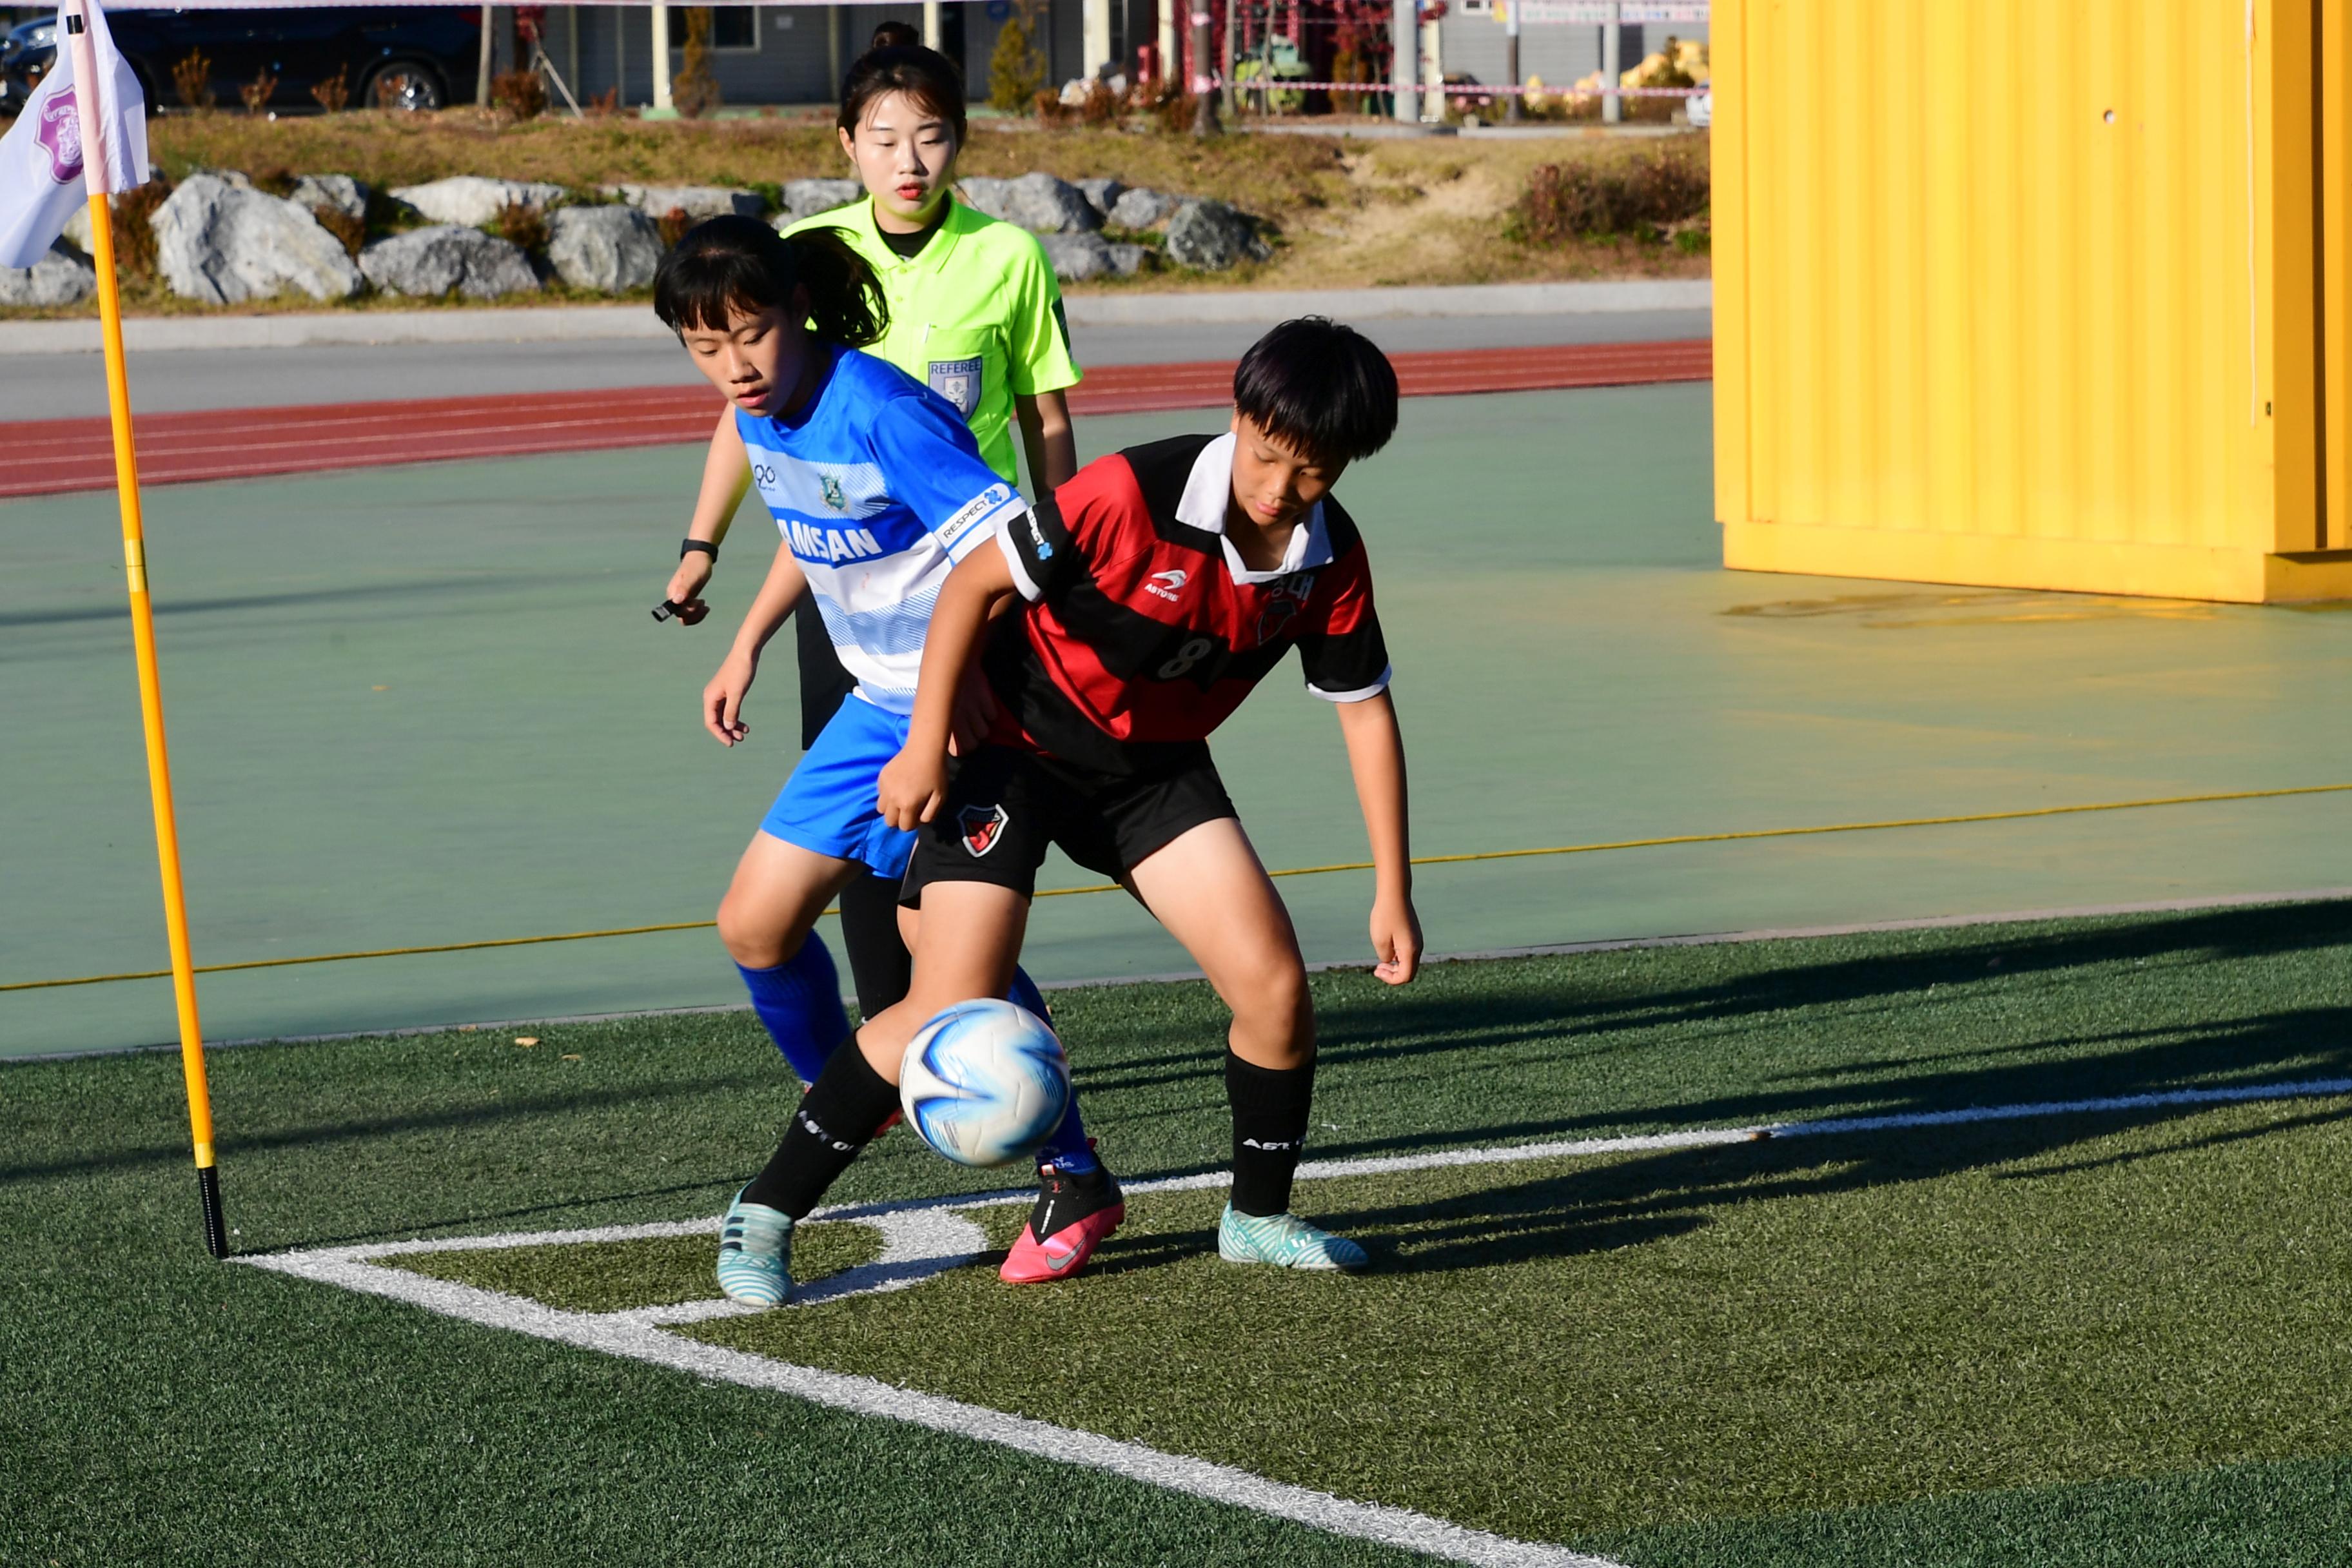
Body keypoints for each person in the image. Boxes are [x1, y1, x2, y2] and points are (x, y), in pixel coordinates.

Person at [718, 318, 1422, 1297]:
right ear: (1239, 418)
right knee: (943, 1008)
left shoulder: (1328, 560)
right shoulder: (1128, 493)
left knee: (1275, 991)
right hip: (1013, 750)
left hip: (1151, 774)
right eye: (1266, 458)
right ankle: (765, 1212)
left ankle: (1257, 1217)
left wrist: (1394, 887)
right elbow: (970, 585)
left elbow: (1365, 715)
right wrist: (927, 743)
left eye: (1312, 473)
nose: (1278, 489)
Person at [657, 42, 1115, 1286]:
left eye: (750, 335)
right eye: (707, 349)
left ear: (794, 314)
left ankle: (1041, 1169)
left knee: (936, 972)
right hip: (873, 705)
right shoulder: (765, 414)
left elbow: (1007, 544)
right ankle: (845, 1094)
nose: (735, 366)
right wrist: (746, 638)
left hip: (974, 710)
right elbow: (819, 535)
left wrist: (941, 723)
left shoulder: (881, 406)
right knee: (754, 928)